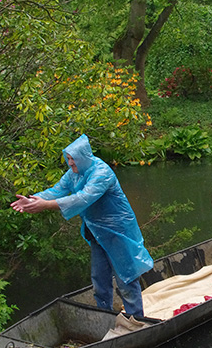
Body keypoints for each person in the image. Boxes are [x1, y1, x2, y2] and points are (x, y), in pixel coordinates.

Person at [10, 134, 153, 319]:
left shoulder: (101, 173)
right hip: (96, 233)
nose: (70, 163)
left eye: (73, 159)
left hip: (118, 233)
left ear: (84, 157)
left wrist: (45, 206)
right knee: (99, 280)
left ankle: (136, 320)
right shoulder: (74, 174)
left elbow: (83, 198)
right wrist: (32, 200)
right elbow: (56, 190)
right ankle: (104, 318)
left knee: (126, 278)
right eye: (68, 159)